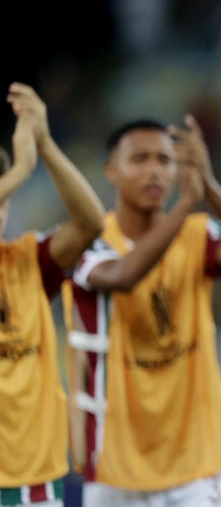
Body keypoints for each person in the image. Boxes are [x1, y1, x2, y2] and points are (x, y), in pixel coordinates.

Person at [64, 115, 221, 506]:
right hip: (116, 460)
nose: (154, 171)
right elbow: (122, 277)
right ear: (111, 171)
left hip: (195, 460)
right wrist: (184, 205)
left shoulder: (196, 235)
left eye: (165, 160)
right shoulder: (89, 244)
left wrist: (209, 188)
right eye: (140, 159)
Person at [0, 83, 105, 506]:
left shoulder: (26, 261)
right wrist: (18, 173)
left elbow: (90, 224)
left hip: (31, 483)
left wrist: (44, 147)